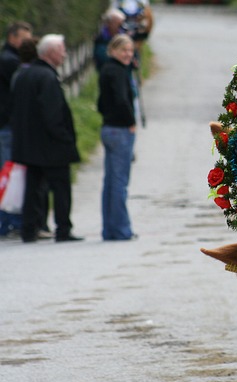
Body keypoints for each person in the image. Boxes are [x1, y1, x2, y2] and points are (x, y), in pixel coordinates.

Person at [11, 34, 83, 243]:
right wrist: (65, 138)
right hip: (50, 145)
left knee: (33, 188)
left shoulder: (24, 74)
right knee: (60, 188)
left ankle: (29, 229)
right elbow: (53, 114)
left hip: (29, 144)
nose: (65, 54)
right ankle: (63, 228)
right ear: (51, 53)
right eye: (61, 50)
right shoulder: (48, 77)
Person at [98, 34, 137, 241]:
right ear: (112, 50)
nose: (128, 54)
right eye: (123, 50)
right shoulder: (119, 71)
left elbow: (100, 104)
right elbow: (122, 100)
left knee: (111, 181)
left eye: (130, 50)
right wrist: (131, 122)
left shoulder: (105, 69)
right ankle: (122, 230)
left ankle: (109, 229)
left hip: (108, 128)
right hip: (121, 130)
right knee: (120, 181)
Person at [0, 21, 32, 237]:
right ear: (13, 37)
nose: (27, 44)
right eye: (24, 39)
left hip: (7, 123)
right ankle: (10, 221)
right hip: (8, 125)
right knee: (9, 174)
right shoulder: (11, 62)